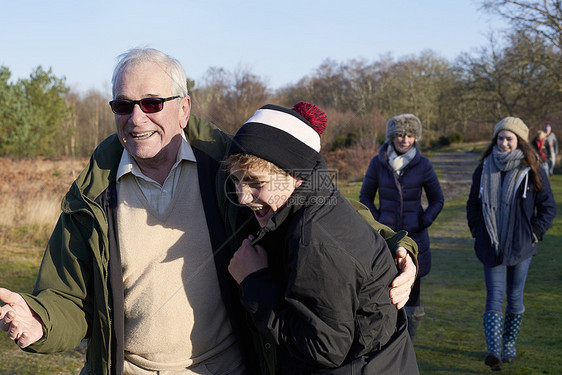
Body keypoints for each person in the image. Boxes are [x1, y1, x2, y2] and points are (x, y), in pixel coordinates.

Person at [0, 48, 417, 375]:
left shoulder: (229, 164)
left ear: (184, 108)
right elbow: (69, 297)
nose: (136, 118)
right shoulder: (91, 195)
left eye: (151, 103)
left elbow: (321, 206)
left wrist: (398, 247)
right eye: (123, 106)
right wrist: (42, 320)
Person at [225, 102, 419, 374]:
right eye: (235, 180)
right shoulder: (318, 206)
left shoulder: (313, 240)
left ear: (296, 176)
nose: (242, 197)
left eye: (256, 183)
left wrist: (254, 282)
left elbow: (324, 348)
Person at [466, 117, 556, 371]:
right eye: (500, 138)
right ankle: (493, 350)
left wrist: (534, 233)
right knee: (494, 296)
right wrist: (477, 230)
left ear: (520, 142)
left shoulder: (532, 168)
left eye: (509, 139)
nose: (504, 143)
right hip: (491, 245)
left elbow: (548, 207)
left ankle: (509, 344)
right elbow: (472, 204)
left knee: (515, 298)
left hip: (521, 246)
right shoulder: (484, 167)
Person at [359, 113, 444, 342]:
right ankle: (384, 343)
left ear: (416, 138)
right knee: (382, 293)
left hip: (416, 243)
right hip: (383, 243)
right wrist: (378, 224)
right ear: (391, 137)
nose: (404, 139)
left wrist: (422, 221)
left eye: (409, 135)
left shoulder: (423, 165)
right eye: (399, 135)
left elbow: (437, 200)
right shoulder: (378, 163)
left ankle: (408, 343)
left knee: (412, 298)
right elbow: (365, 197)